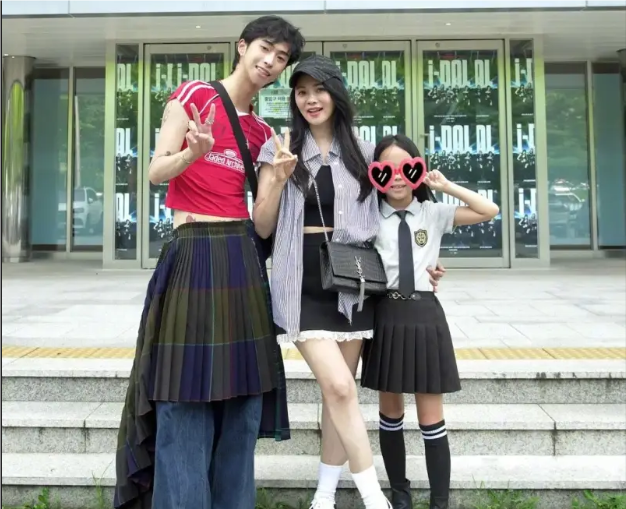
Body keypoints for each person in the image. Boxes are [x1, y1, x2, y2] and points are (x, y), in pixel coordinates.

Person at [112, 15, 305, 509]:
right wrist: (191, 154)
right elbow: (156, 171)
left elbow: (262, 225)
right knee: (182, 389)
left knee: (242, 397)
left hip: (240, 253)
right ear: (242, 46)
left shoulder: (262, 131)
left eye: (281, 57)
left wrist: (277, 181)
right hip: (193, 248)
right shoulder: (194, 95)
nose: (270, 62)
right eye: (265, 48)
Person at [253, 54, 392, 509]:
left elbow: (394, 215)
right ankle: (374, 497)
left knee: (340, 392)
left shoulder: (366, 153)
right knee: (340, 387)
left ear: (336, 94)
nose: (310, 100)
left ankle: (324, 494)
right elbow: (262, 225)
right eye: (301, 92)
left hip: (353, 280)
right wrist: (278, 178)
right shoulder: (279, 148)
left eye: (319, 90)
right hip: (300, 280)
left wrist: (422, 263)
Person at [360, 134, 500, 509]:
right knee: (390, 413)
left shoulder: (432, 213)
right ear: (375, 174)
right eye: (386, 169)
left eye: (406, 168)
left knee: (431, 418)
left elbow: (489, 210)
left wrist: (445, 186)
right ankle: (400, 496)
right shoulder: (368, 216)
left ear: (418, 170)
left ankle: (440, 502)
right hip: (385, 315)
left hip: (425, 315)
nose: (397, 176)